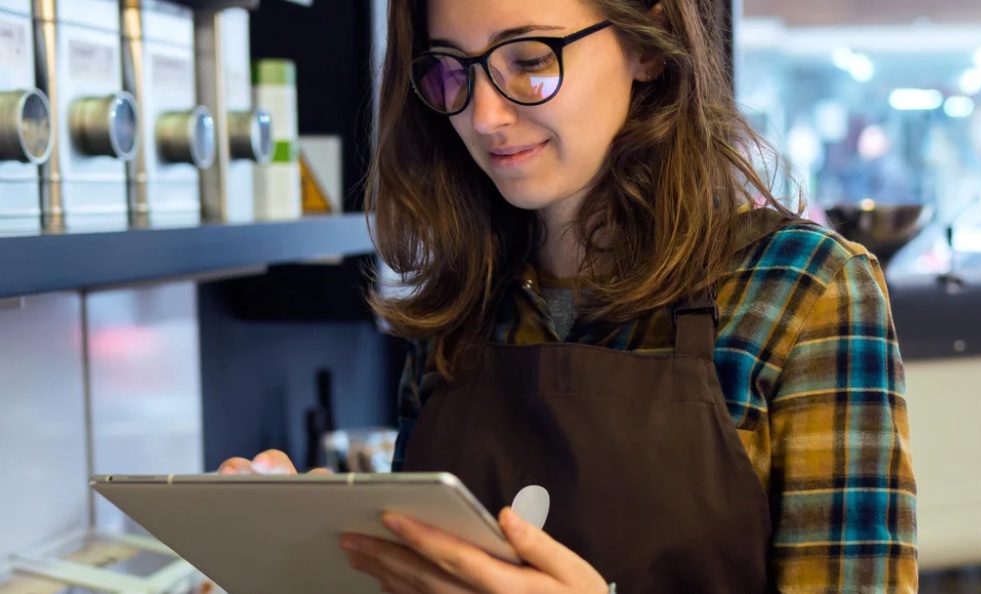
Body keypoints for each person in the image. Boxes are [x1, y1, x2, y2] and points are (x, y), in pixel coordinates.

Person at [220, 0, 918, 591]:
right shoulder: (463, 304)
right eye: (451, 71)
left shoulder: (803, 288)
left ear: (647, 48)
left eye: (528, 61)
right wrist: (312, 557)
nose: (485, 116)